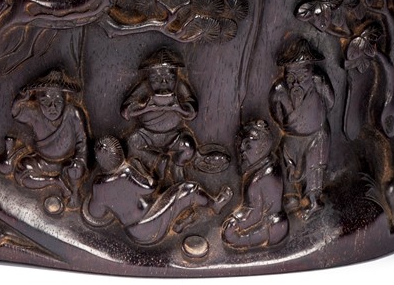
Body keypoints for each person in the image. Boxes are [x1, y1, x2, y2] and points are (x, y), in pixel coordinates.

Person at [82, 136, 232, 245]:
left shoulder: (98, 186)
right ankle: (214, 204)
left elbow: (96, 213)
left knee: (174, 198)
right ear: (120, 155)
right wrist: (141, 169)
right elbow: (150, 187)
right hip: (149, 223)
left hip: (132, 233)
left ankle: (180, 222)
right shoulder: (126, 173)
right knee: (189, 190)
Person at [0, 69, 88, 209]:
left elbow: (82, 142)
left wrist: (79, 160)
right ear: (39, 102)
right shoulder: (35, 114)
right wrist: (20, 99)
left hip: (68, 163)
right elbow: (17, 113)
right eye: (46, 102)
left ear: (65, 100)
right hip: (42, 161)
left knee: (76, 170)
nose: (52, 107)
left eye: (58, 101)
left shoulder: (73, 114)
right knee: (21, 173)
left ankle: (74, 194)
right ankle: (54, 181)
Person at [269, 38, 334, 215]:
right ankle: (291, 196)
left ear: (311, 74)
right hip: (291, 137)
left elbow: (330, 102)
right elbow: (276, 113)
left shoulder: (318, 83)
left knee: (314, 168)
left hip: (316, 134)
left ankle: (313, 201)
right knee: (287, 163)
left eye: (302, 77)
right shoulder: (280, 91)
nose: (296, 84)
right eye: (291, 78)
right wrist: (289, 126)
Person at [121, 48, 198, 184]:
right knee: (131, 143)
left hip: (174, 135)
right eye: (156, 79)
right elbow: (126, 112)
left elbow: (192, 112)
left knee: (188, 146)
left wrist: (178, 108)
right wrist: (145, 108)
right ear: (149, 78)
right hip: (146, 135)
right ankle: (157, 163)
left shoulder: (180, 86)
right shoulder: (144, 87)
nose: (163, 83)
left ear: (176, 76)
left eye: (169, 79)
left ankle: (177, 170)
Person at [222, 119, 288, 249]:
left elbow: (255, 213)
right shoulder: (269, 163)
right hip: (275, 223)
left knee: (231, 238)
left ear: (262, 147)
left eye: (248, 146)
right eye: (240, 146)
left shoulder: (260, 178)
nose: (242, 151)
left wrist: (236, 221)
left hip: (271, 228)